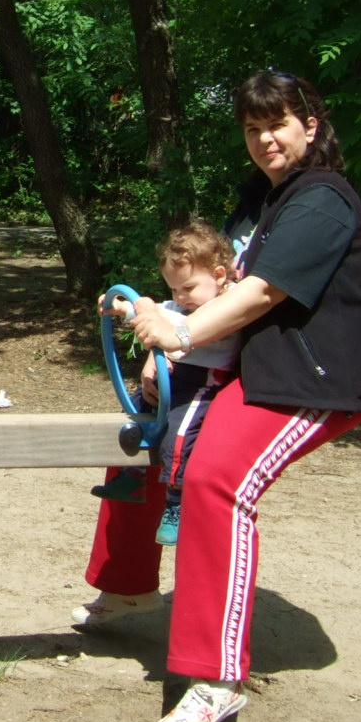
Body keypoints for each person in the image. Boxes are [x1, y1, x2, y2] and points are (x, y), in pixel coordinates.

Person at [72, 71, 361, 722]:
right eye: (252, 128)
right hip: (246, 367)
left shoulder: (322, 199)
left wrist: (179, 337)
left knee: (215, 479)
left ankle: (216, 679)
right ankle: (127, 583)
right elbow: (217, 288)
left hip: (308, 380)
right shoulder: (259, 200)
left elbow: (264, 293)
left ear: (311, 125)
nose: (266, 138)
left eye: (279, 123)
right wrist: (165, 344)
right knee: (145, 440)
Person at [97, 223, 241, 548]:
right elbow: (161, 312)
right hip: (175, 375)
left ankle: (175, 505)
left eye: (187, 287)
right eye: (175, 289)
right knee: (135, 414)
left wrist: (148, 309)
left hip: (203, 382)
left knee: (178, 436)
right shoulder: (182, 303)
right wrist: (120, 306)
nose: (180, 297)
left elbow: (177, 324)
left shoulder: (226, 305)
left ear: (218, 275)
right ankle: (132, 476)